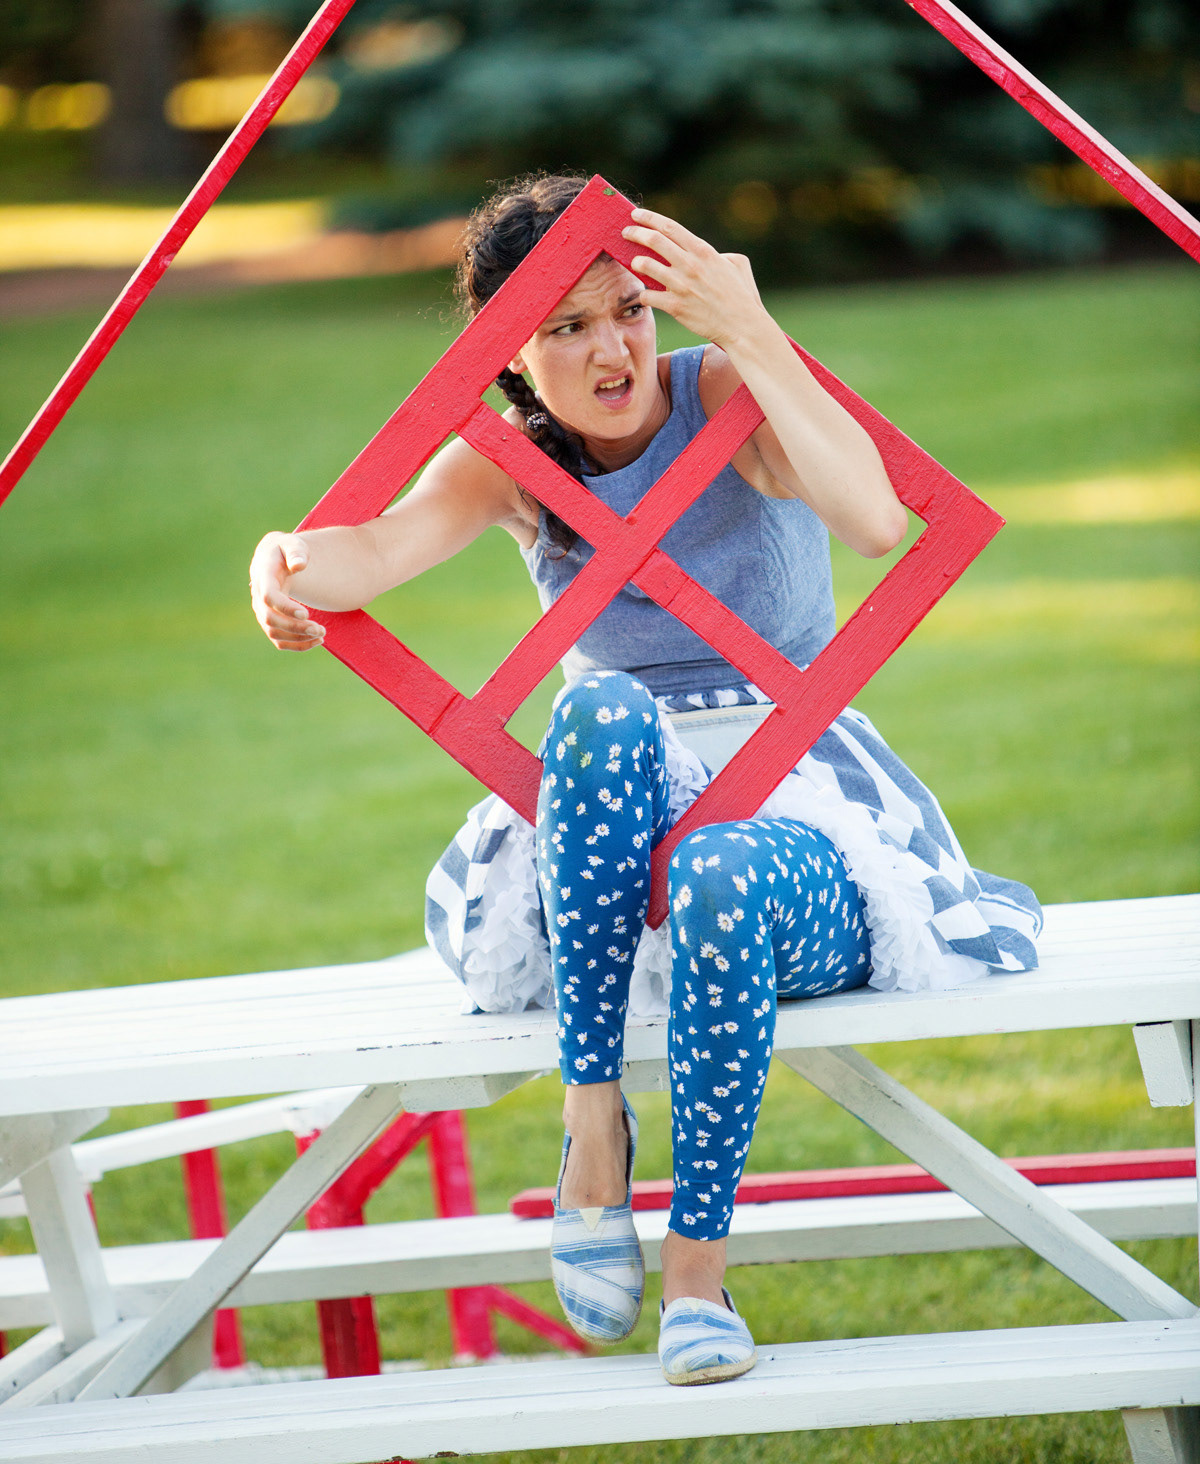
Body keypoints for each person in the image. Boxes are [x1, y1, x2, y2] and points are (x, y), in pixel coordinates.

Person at [249, 173, 1041, 1387]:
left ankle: (696, 1274)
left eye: (629, 308)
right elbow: (370, 550)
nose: (613, 348)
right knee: (602, 708)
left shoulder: (723, 396)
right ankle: (594, 1126)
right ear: (511, 357)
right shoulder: (513, 463)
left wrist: (752, 330)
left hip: (784, 812)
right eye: (567, 326)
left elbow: (877, 520)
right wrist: (281, 562)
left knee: (716, 864)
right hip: (608, 855)